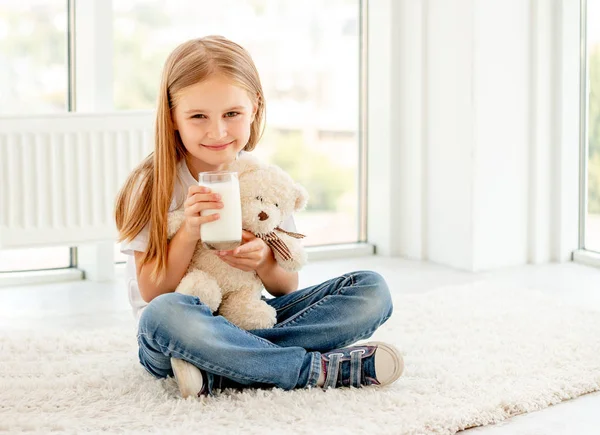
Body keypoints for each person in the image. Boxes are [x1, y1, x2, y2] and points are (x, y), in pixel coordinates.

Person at [115, 35, 404, 398]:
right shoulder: (151, 185)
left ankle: (226, 367)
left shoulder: (262, 182)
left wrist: (266, 260)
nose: (217, 131)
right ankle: (308, 369)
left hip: (249, 317)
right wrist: (189, 230)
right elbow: (153, 292)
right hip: (177, 334)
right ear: (173, 117)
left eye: (231, 114)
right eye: (198, 116)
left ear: (255, 108)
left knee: (371, 290)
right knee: (165, 314)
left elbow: (286, 287)